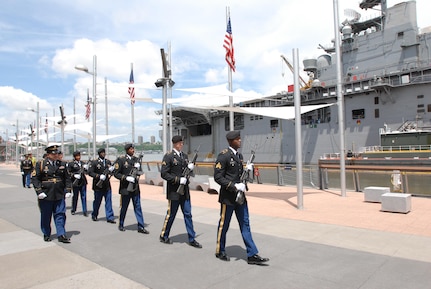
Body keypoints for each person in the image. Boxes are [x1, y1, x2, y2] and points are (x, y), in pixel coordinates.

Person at [213, 130, 269, 265]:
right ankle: (220, 250)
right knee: (224, 224)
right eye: (238, 139)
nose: (240, 141)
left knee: (245, 224)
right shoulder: (223, 156)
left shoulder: (239, 156)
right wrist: (234, 186)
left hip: (240, 198)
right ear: (231, 141)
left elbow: (238, 175)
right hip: (228, 197)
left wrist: (247, 170)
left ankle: (252, 254)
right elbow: (218, 177)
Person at [159, 135, 202, 248]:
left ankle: (191, 238)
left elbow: (186, 171)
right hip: (174, 191)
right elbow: (164, 174)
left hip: (185, 191)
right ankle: (164, 234)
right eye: (179, 143)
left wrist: (191, 167)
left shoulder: (184, 156)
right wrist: (178, 180)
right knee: (171, 214)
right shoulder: (168, 156)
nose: (181, 144)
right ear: (175, 143)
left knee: (188, 214)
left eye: (182, 143)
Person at [31, 145, 72, 243]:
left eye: (57, 153)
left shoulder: (62, 164)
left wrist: (68, 190)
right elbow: (35, 178)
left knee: (60, 214)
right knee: (46, 215)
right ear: (48, 154)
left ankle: (61, 234)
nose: (56, 155)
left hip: (59, 193)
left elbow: (67, 178)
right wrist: (39, 191)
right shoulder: (40, 164)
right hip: (46, 194)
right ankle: (46, 233)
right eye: (54, 154)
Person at [113, 143, 149, 234]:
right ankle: (121, 224)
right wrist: (126, 178)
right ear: (127, 150)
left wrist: (138, 169)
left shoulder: (136, 160)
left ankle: (141, 226)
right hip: (125, 188)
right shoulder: (121, 160)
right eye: (131, 149)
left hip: (135, 188)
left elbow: (140, 172)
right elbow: (116, 174)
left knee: (138, 207)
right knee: (124, 207)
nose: (133, 150)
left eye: (133, 149)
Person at [88, 148, 116, 224]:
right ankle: (94, 214)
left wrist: (112, 170)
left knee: (108, 202)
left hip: (106, 185)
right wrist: (98, 176)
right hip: (98, 186)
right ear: (99, 154)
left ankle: (110, 217)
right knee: (97, 202)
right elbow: (90, 172)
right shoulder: (94, 162)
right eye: (102, 153)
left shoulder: (108, 162)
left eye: (104, 152)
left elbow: (112, 173)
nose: (103, 154)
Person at [68, 151, 88, 216]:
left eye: (79, 156)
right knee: (75, 196)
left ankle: (85, 210)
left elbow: (86, 172)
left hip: (83, 181)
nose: (79, 157)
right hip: (75, 182)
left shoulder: (82, 163)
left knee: (84, 196)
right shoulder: (71, 164)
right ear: (74, 157)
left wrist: (86, 168)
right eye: (77, 156)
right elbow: (68, 173)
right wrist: (74, 175)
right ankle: (73, 209)